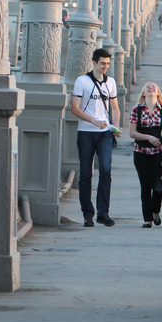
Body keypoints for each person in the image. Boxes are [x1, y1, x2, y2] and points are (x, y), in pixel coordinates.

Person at [70, 48, 121, 227]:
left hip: (104, 133)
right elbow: (74, 108)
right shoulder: (82, 81)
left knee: (106, 170)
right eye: (102, 63)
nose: (105, 67)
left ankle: (103, 213)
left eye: (107, 64)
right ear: (94, 62)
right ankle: (87, 214)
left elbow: (115, 107)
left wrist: (115, 126)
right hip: (86, 132)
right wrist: (93, 120)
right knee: (86, 173)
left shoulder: (111, 82)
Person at [128, 81, 162, 228]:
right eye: (148, 87)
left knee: (157, 185)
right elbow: (132, 133)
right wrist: (148, 137)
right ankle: (147, 219)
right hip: (141, 153)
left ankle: (156, 211)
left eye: (154, 87)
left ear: (158, 93)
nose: (151, 88)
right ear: (144, 93)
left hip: (158, 153)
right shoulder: (137, 109)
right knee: (145, 186)